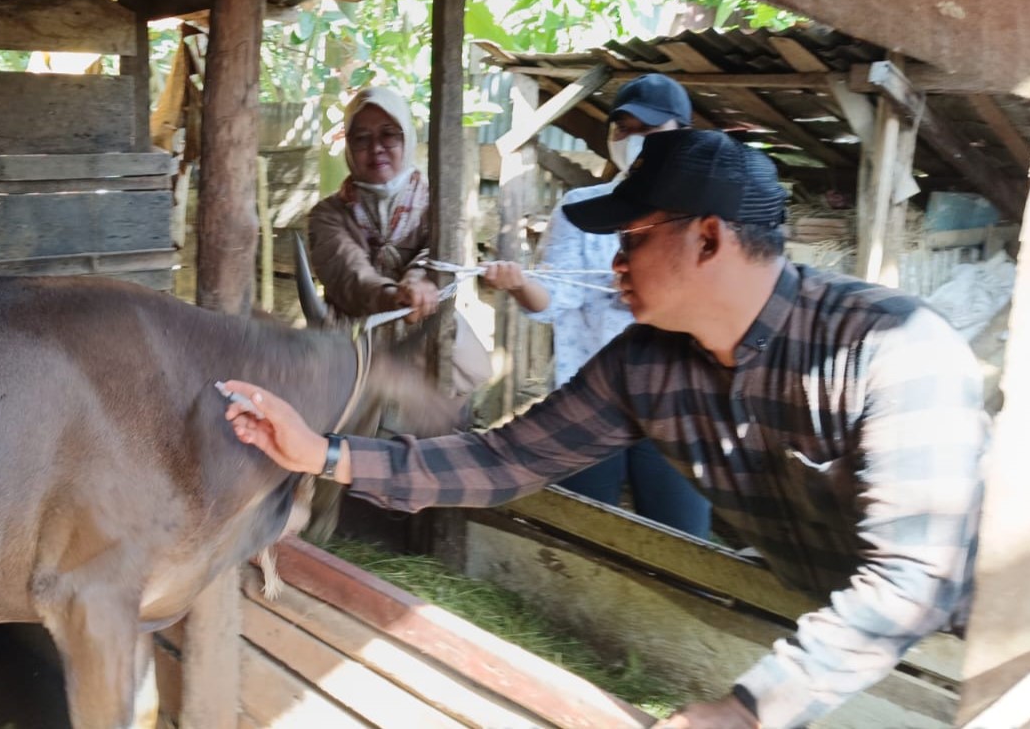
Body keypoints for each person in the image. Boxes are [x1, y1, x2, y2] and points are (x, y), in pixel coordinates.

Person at [226, 130, 988, 729]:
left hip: (971, 661)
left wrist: (752, 708)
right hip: (825, 633)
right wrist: (323, 453)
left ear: (710, 240)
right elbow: (501, 462)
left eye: (631, 239)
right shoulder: (648, 365)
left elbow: (913, 580)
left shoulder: (890, 348)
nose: (614, 261)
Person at [485, 73, 711, 536]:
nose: (632, 141)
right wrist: (518, 284)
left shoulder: (707, 212)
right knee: (583, 531)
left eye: (647, 130)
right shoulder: (583, 209)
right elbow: (556, 297)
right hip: (593, 397)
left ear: (680, 134)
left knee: (683, 535)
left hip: (675, 402)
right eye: (621, 129)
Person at [308, 85, 491, 394]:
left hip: (428, 331)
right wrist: (395, 295)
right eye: (361, 138)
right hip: (351, 341)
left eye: (389, 134)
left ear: (407, 137)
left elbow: (441, 252)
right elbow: (351, 275)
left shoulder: (439, 204)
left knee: (452, 403)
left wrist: (418, 280)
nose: (376, 147)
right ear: (349, 146)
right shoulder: (328, 215)